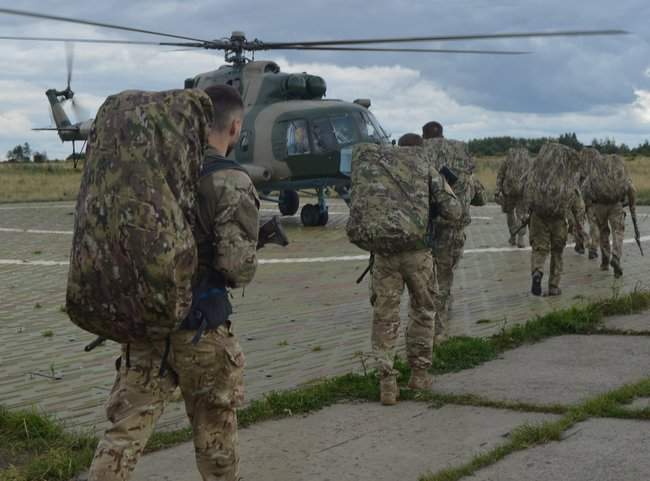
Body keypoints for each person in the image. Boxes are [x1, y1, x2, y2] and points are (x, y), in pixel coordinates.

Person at [86, 85, 259, 481]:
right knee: (215, 431)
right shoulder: (230, 180)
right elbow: (237, 268)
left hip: (146, 324)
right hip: (203, 330)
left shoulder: (154, 172)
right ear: (234, 128)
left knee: (123, 434)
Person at [369, 133, 461, 405]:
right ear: (421, 151)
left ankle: (387, 381)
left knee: (385, 315)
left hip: (385, 255)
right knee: (422, 310)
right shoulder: (426, 170)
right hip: (418, 254)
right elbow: (454, 211)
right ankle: (419, 374)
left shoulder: (380, 171)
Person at [421, 121, 478, 342]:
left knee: (425, 276)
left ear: (423, 136)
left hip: (424, 226)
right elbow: (477, 194)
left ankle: (427, 323)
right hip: (452, 227)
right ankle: (439, 330)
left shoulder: (419, 155)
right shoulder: (460, 157)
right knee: (444, 277)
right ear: (443, 135)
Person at [524, 142, 584, 296]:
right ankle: (553, 286)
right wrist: (578, 223)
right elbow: (577, 202)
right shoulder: (568, 175)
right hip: (558, 219)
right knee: (557, 252)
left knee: (539, 249)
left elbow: (527, 189)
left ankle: (537, 272)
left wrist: (526, 214)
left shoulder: (537, 170)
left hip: (538, 216)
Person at [581, 151, 636, 277]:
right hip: (616, 205)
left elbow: (584, 188)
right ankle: (616, 257)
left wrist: (588, 205)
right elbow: (631, 188)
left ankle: (605, 261)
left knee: (603, 232)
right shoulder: (619, 169)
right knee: (618, 231)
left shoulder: (596, 169)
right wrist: (631, 206)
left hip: (599, 205)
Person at [495, 148, 531, 248]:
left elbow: (500, 175)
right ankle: (521, 238)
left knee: (510, 214)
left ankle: (513, 236)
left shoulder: (506, 160)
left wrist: (497, 190)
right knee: (521, 215)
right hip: (522, 192)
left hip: (508, 191)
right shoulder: (528, 161)